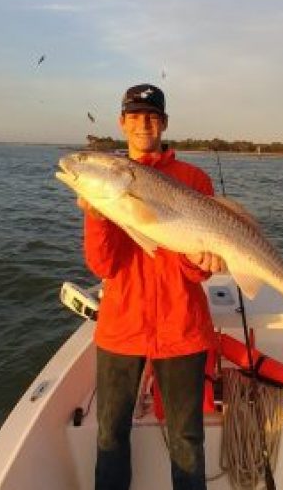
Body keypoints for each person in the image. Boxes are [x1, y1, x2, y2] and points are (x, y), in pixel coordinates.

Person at [77, 83, 225, 490]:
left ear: (163, 123)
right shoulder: (108, 182)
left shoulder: (193, 178)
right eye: (135, 116)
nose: (144, 123)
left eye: (152, 116)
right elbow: (103, 264)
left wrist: (203, 262)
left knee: (187, 440)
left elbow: (198, 271)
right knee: (109, 436)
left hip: (182, 328)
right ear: (122, 123)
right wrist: (98, 216)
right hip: (122, 328)